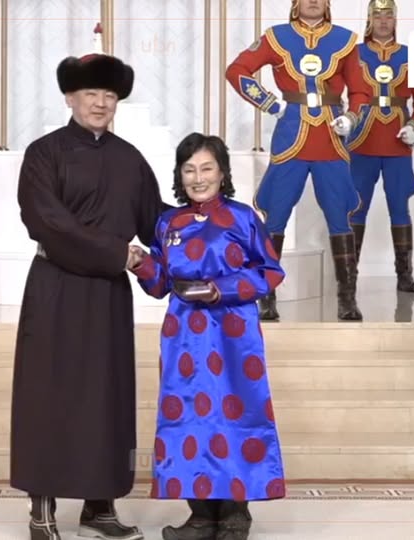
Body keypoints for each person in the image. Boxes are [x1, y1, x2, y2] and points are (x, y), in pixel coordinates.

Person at [9, 45, 166, 540]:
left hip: (108, 295)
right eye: (91, 93)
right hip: (55, 288)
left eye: (109, 95)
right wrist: (120, 253)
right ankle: (42, 509)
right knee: (48, 395)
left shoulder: (129, 159)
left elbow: (157, 221)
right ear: (70, 98)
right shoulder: (44, 153)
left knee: (107, 397)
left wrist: (214, 223)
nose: (101, 103)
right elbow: (48, 223)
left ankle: (99, 508)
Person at [128, 133, 286, 540]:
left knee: (236, 413)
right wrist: (141, 263)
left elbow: (270, 272)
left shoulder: (242, 218)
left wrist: (222, 289)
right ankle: (200, 516)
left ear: (222, 173)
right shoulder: (168, 223)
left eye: (206, 168)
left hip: (234, 335)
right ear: (179, 175)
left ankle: (234, 514)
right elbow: (161, 284)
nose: (198, 178)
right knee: (187, 417)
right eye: (189, 170)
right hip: (183, 336)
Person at [225, 0, 371, 321]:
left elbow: (361, 92)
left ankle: (347, 297)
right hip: (291, 137)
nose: (313, 1)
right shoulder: (276, 37)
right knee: (275, 215)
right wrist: (269, 103)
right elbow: (236, 71)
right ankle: (266, 295)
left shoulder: (345, 40)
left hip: (331, 138)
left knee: (340, 215)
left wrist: (351, 117)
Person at [346, 0, 414, 293]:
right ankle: (348, 276)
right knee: (355, 208)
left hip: (397, 144)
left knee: (399, 207)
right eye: (378, 15)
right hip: (361, 141)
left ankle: (404, 275)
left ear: (396, 20)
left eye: (388, 15)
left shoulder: (412, 55)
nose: (383, 21)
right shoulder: (353, 54)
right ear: (369, 19)